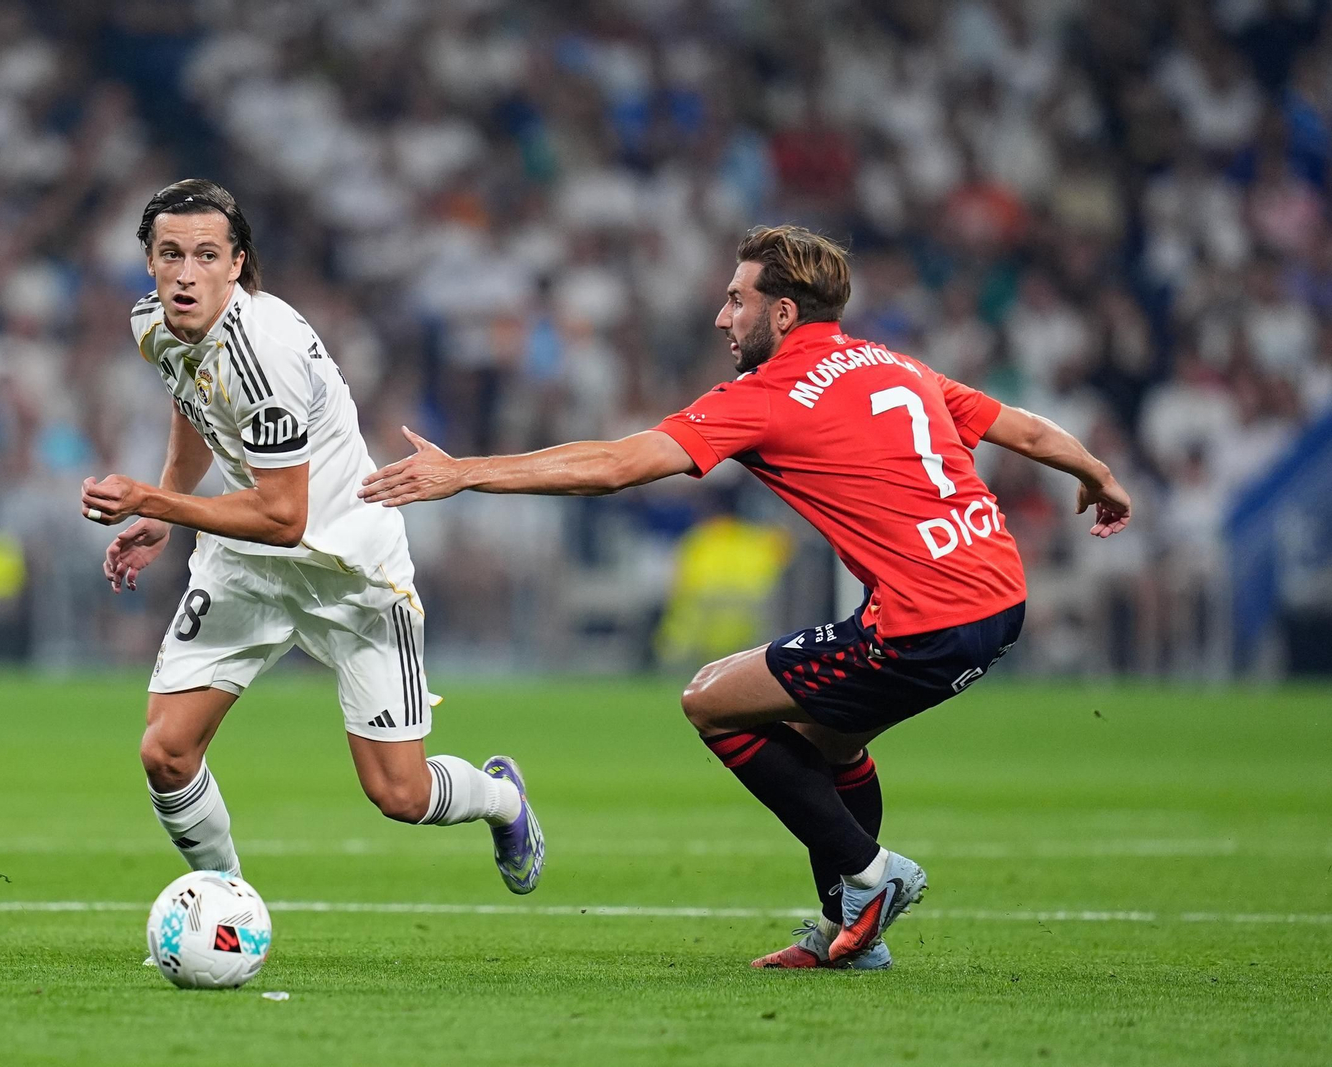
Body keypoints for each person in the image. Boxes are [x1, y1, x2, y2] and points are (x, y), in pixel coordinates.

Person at [360, 225, 1131, 969]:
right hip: (998, 598)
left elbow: (618, 463)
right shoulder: (893, 366)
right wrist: (1096, 473)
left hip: (924, 618)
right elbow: (1022, 429)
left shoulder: (767, 394)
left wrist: (465, 472)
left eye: (737, 299)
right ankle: (850, 930)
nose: (721, 315)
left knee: (712, 699)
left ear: (782, 312)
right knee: (827, 739)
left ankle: (869, 874)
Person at [81, 179, 543, 903]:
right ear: (149, 261)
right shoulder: (155, 324)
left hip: (348, 568)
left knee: (399, 791)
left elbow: (283, 516)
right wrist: (169, 509)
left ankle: (501, 798)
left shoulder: (266, 356)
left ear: (237, 263)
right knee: (166, 753)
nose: (185, 271)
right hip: (245, 566)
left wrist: (150, 497)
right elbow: (192, 400)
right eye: (170, 254)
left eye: (206, 254)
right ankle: (225, 899)